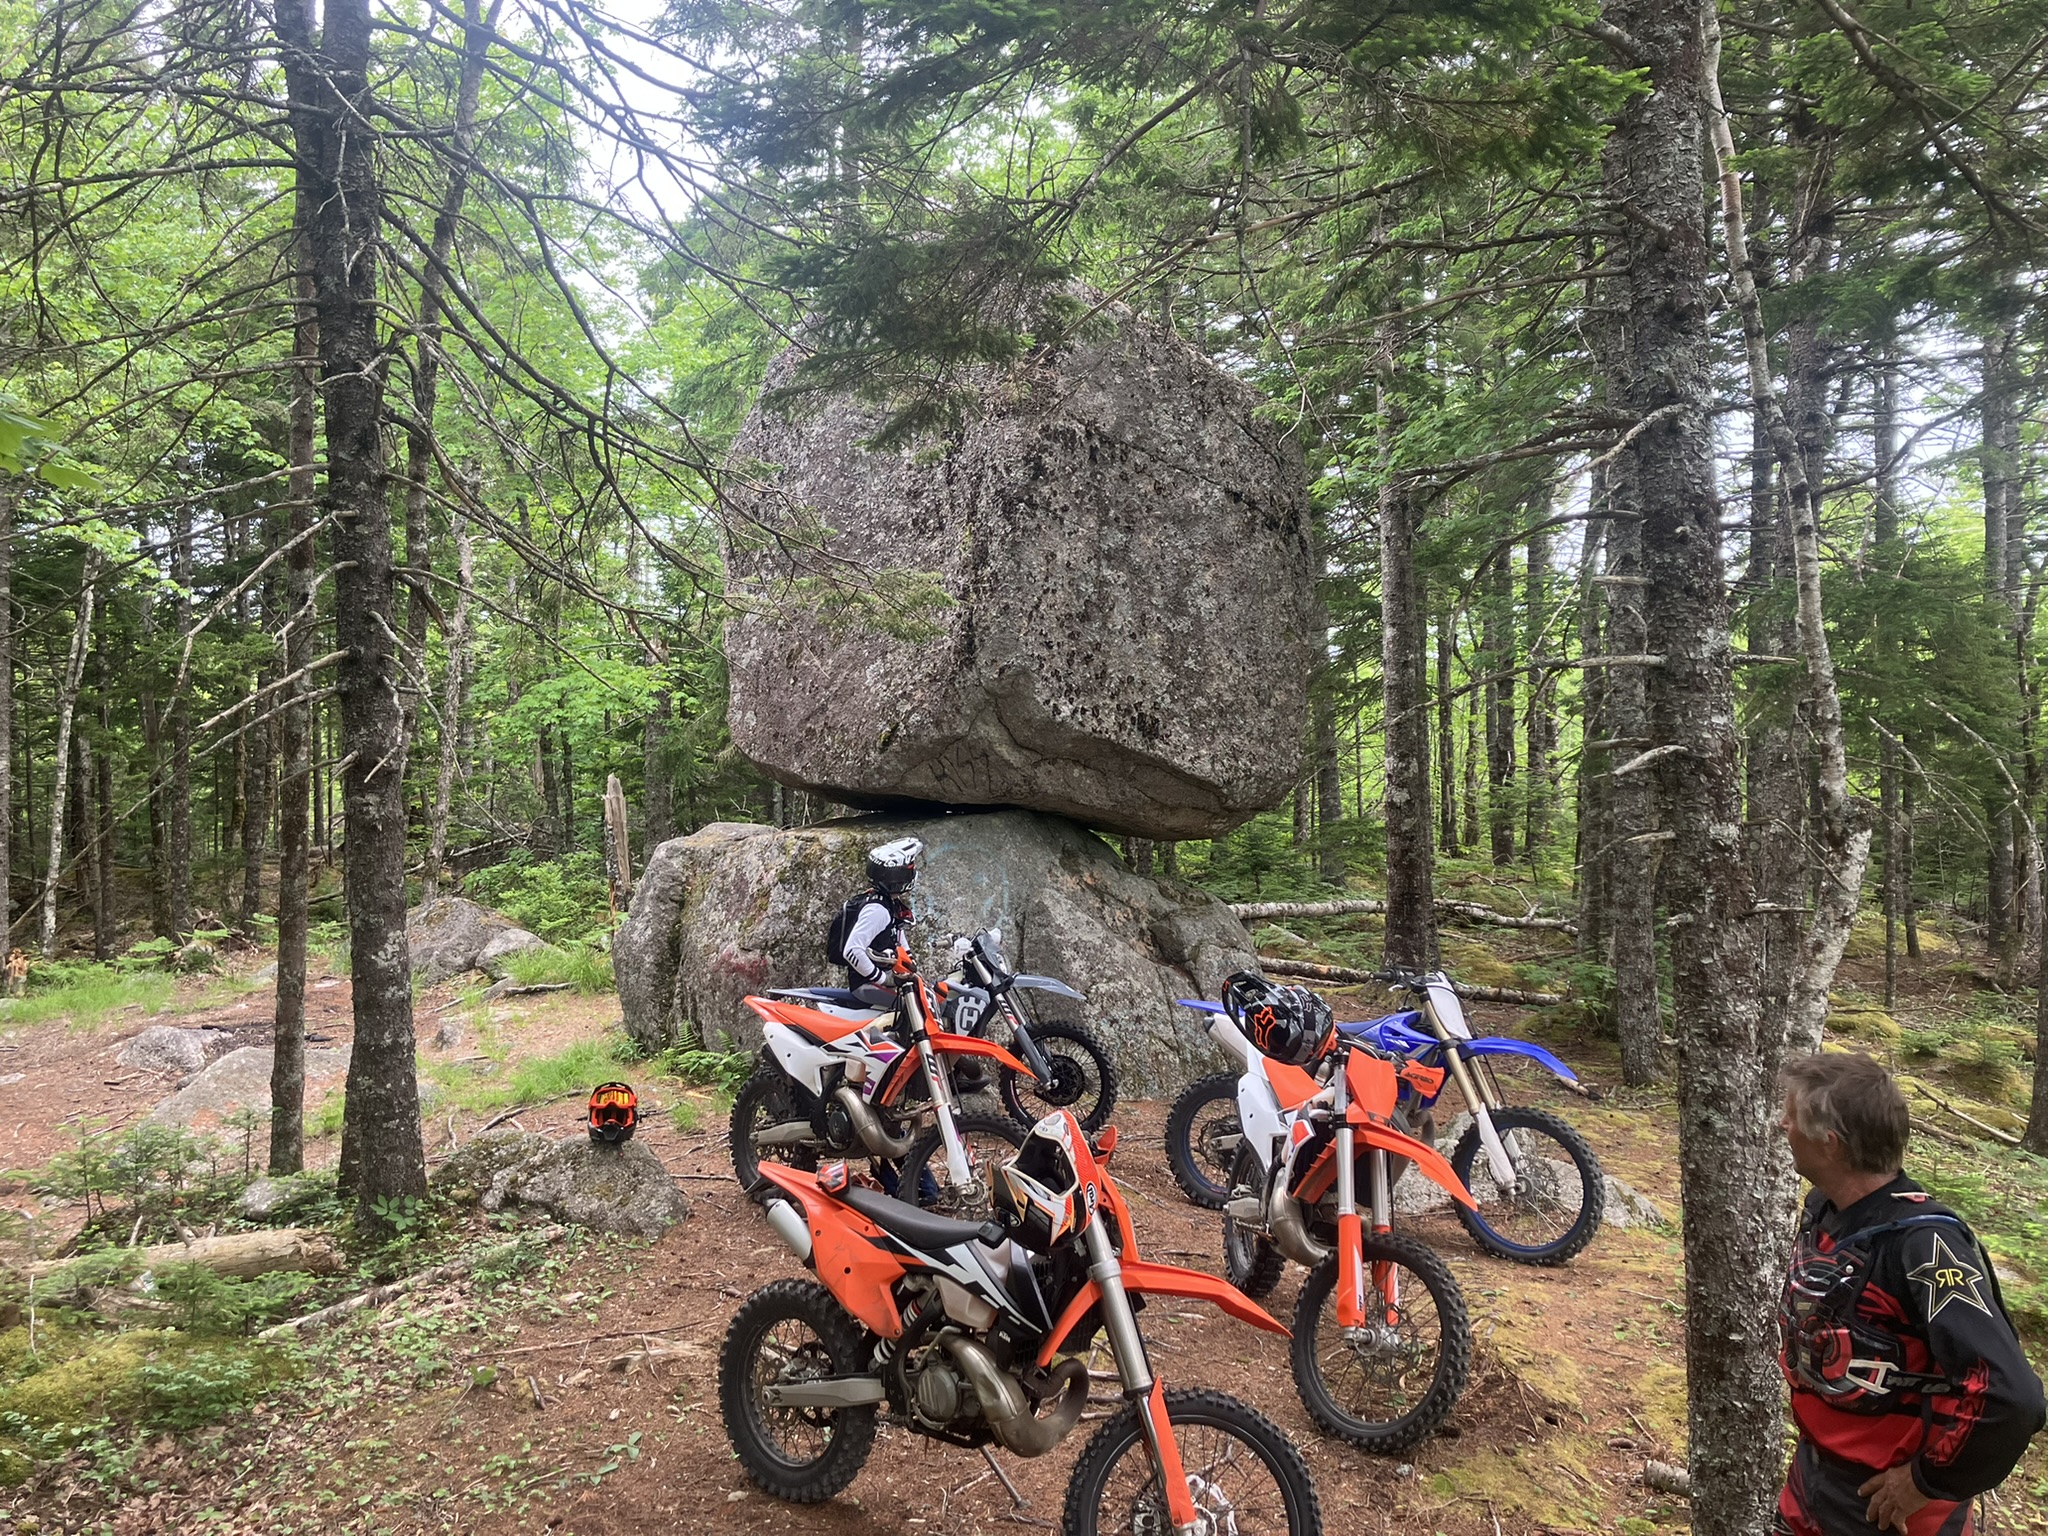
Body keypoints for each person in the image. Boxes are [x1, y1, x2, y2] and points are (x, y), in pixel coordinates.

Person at [1777, 1052, 2044, 1535]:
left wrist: (1926, 1482)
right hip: (1815, 1476)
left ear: (1830, 1144)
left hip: (1890, 1508)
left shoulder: (1924, 1244)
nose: (1783, 1126)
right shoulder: (1825, 1209)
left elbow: (2011, 1396)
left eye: (1792, 1117)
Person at [826, 837, 924, 1001]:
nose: (912, 873)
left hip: (880, 981)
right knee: (912, 1006)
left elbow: (897, 937)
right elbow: (852, 950)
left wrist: (911, 969)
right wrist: (884, 980)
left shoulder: (887, 903)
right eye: (909, 869)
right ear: (897, 876)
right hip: (867, 985)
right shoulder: (877, 910)